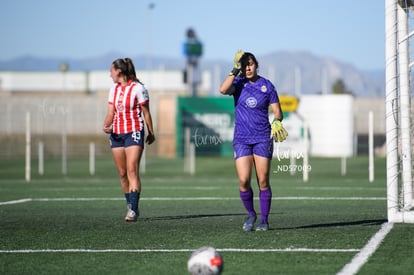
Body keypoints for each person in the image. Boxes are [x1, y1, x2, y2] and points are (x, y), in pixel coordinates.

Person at [219, 51, 288, 231]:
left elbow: (278, 112)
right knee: (243, 181)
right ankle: (250, 214)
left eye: (250, 64)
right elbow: (223, 89)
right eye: (244, 65)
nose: (247, 68)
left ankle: (264, 220)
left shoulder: (267, 86)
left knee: (263, 180)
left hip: (262, 137)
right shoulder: (238, 83)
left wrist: (277, 121)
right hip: (241, 138)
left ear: (256, 65)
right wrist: (235, 70)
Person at [103, 58, 155, 222]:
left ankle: (133, 209)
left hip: (134, 132)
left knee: (132, 169)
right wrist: (106, 125)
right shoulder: (114, 90)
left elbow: (146, 112)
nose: (110, 74)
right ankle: (131, 205)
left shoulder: (138, 88)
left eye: (111, 70)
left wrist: (151, 132)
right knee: (122, 173)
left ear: (119, 71)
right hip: (117, 135)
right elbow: (111, 112)